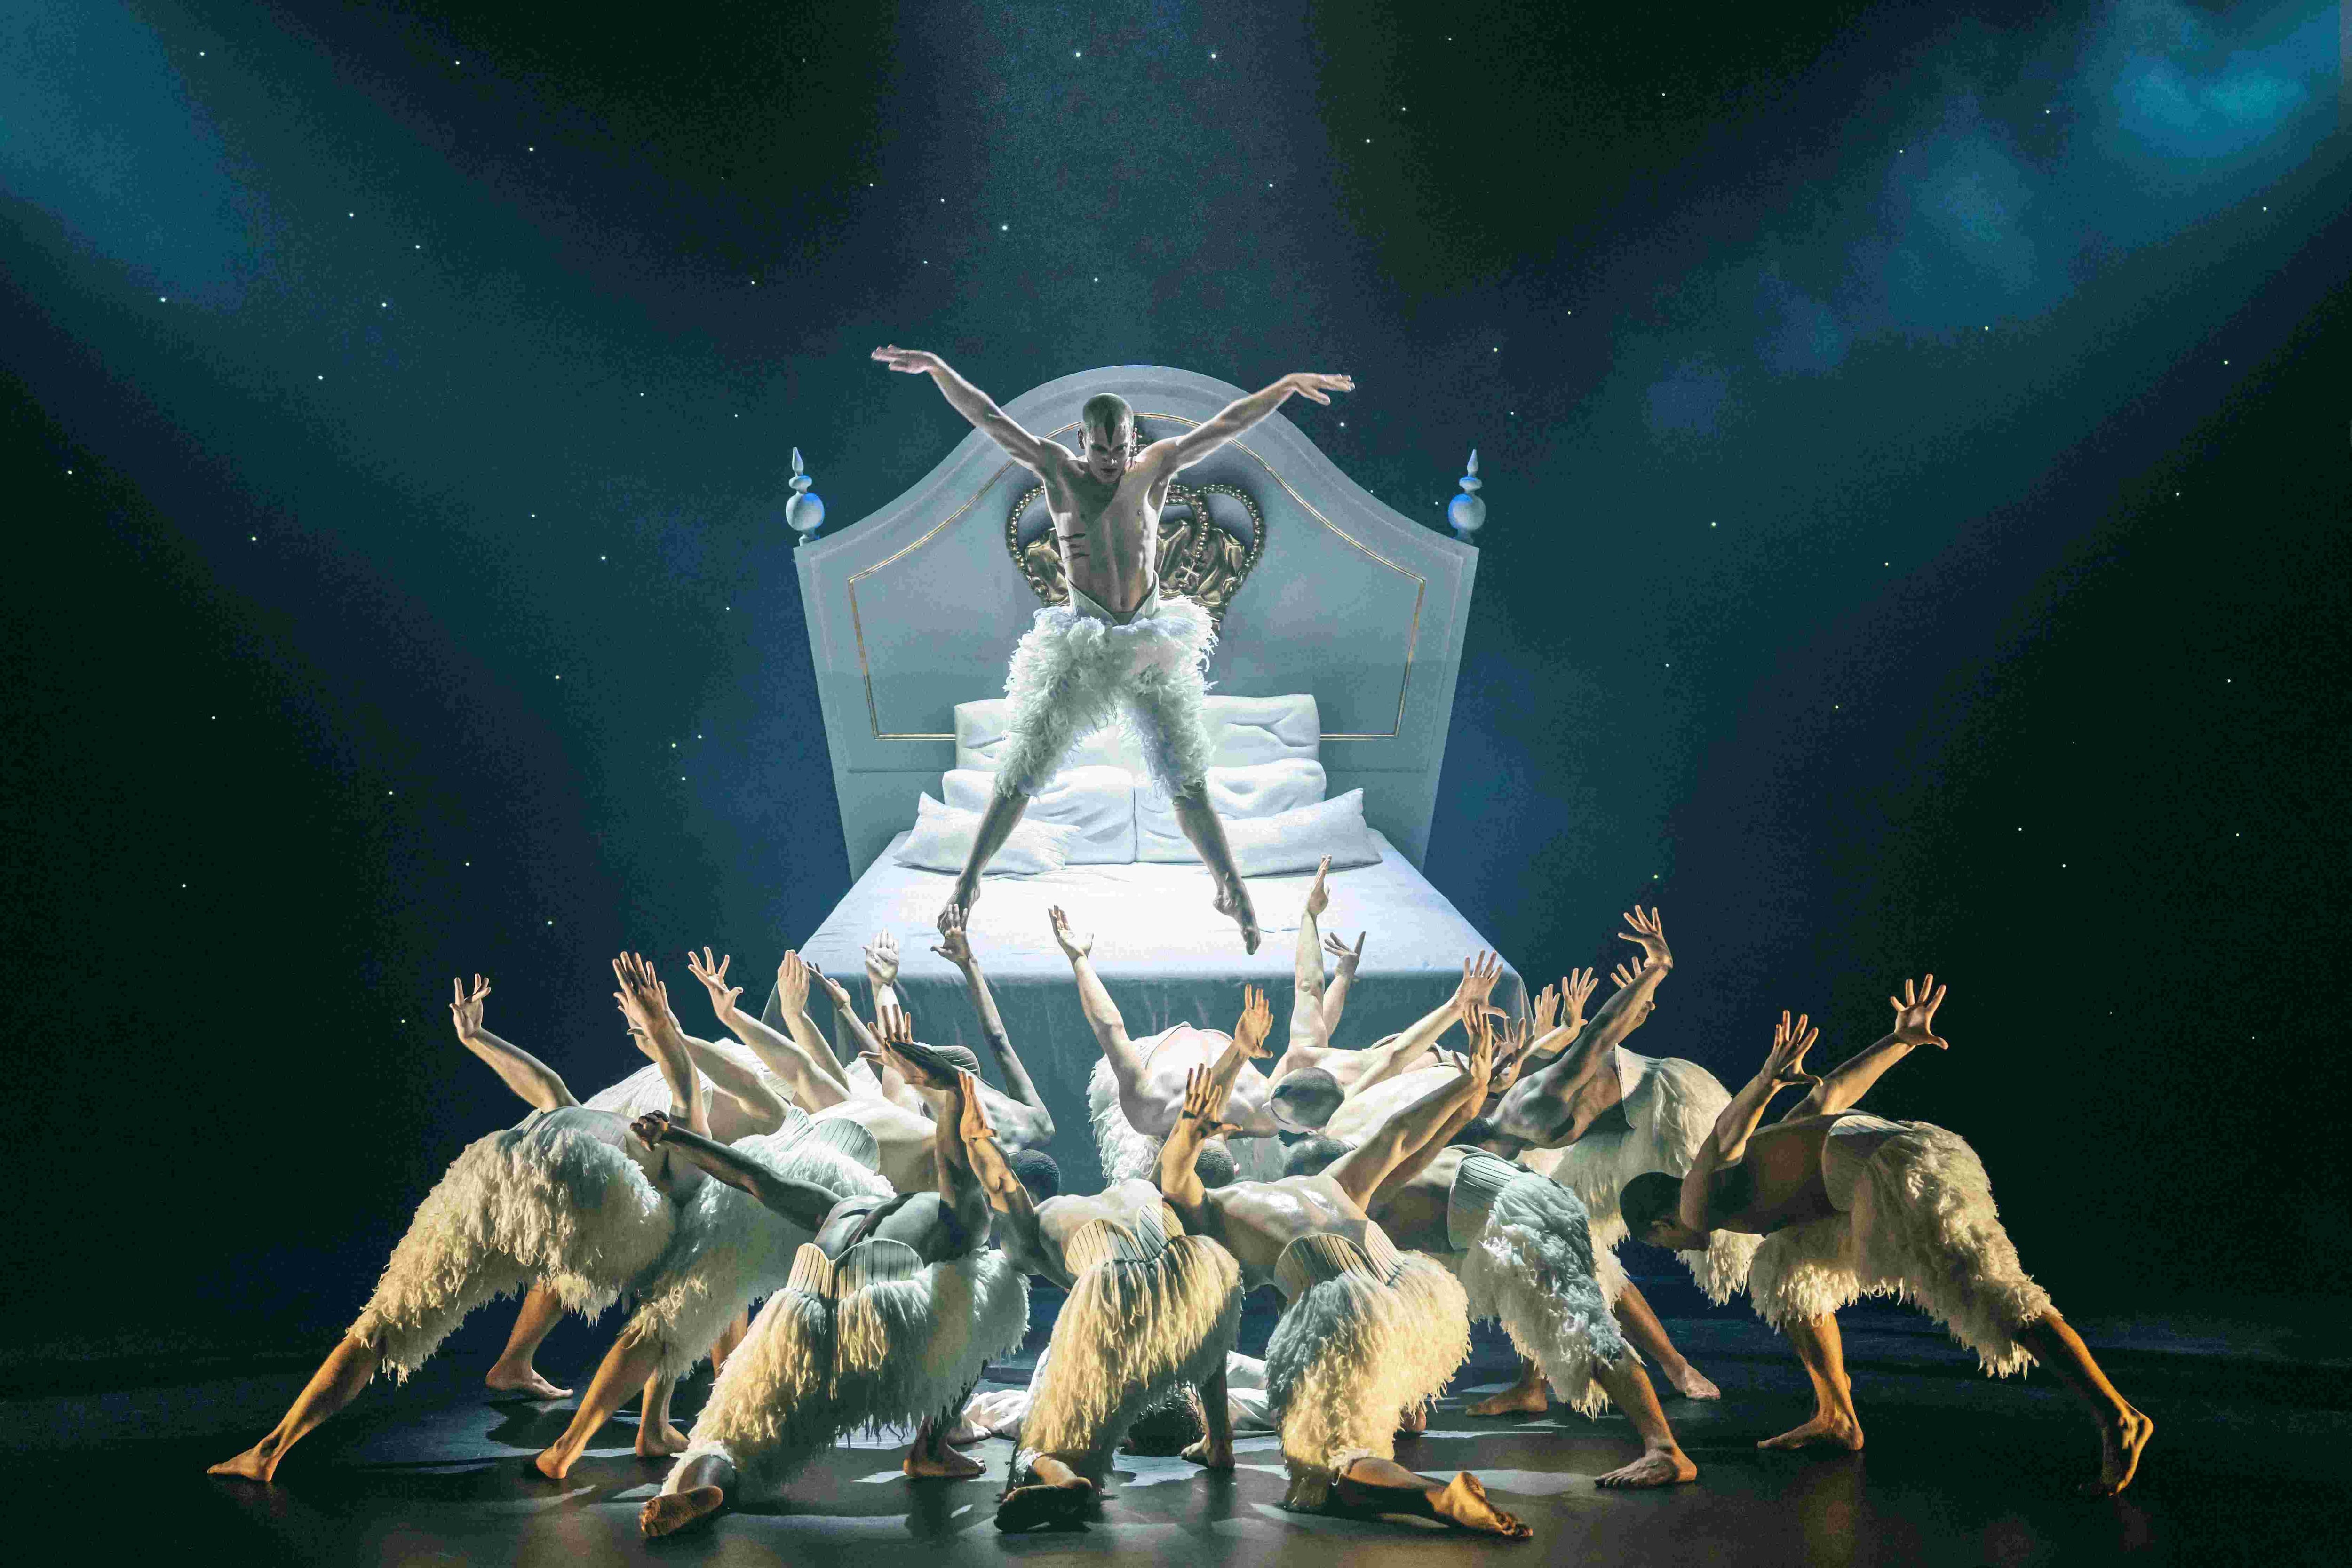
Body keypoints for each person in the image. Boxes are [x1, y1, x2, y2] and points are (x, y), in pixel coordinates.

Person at [872, 344, 1354, 952]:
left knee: (1186, 778)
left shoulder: (1154, 468)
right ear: (1082, 441)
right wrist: (938, 370)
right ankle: (968, 882)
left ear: (1132, 441)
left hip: (1149, 639)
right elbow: (989, 418)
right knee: (1021, 769)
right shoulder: (1059, 471)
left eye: (1119, 448)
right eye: (1100, 449)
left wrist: (1283, 385)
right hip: (1083, 641)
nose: (1110, 460)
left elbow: (1226, 424)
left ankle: (1229, 885)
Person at [1619, 979, 2153, 1495]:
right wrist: (1898, 1041)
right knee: (1784, 1271)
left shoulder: (1693, 1202)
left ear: (1659, 1224)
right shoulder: (1765, 1158)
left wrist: (1765, 1082)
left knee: (1995, 1296)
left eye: (1660, 1245)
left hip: (1898, 1171)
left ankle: (2118, 1416)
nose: (1674, 1250)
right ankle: (1836, 1416)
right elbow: (1830, 1093)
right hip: (1876, 1165)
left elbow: (1723, 1134)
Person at [207, 959, 705, 1484]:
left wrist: (662, 1026)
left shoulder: (683, 1154)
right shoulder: (617, 1126)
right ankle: (269, 1450)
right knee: (385, 1322)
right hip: (505, 1185)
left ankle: (271, 1449)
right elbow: (550, 1087)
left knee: (381, 1328)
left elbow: (686, 1087)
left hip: (532, 1185)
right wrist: (477, 1037)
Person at [1154, 1022, 1531, 1538]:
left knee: (1324, 1473)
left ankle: (1437, 1497)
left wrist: (1184, 1133)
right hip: (1417, 1297)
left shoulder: (1210, 1215)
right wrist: (1470, 1087)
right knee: (1329, 1328)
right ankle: (1405, 1411)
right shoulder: (1326, 1180)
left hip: (1350, 1307)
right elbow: (1398, 1134)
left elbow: (1174, 1182)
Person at [1282, 1023, 1695, 1489]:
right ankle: (1426, 1404)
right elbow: (1436, 1128)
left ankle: (1666, 1450)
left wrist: (1476, 1083)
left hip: (1517, 1208)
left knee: (1584, 1330)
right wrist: (1475, 1083)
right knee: (1430, 1303)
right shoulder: (1373, 1158)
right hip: (1511, 1203)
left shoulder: (1354, 1189)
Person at [639, 1052, 1030, 1537]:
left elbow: (755, 1178)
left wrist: (676, 1137)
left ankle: (704, 1485)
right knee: (994, 1280)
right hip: (872, 1326)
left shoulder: (847, 1205)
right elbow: (953, 1165)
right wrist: (953, 1092)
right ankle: (930, 1449)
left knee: (729, 1433)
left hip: (796, 1318)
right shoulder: (960, 1217)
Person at [1460, 908, 1746, 1407]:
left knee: (1729, 1231)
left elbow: (1597, 1037)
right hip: (1608, 1133)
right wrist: (1636, 1006)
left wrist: (1654, 971)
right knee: (1571, 1247)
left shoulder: (1532, 1111)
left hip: (1666, 1106)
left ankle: (1678, 1366)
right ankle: (1533, 1387)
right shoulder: (1511, 1138)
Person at [945, 1075, 1245, 1531]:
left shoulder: (1032, 1226)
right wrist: (1190, 1127)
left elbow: (1003, 1184)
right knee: (1205, 1320)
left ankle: (1061, 1473)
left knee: (1043, 1435)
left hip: (1111, 1283)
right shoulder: (1141, 1188)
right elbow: (1173, 1159)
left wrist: (976, 1140)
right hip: (1199, 1274)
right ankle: (1220, 1443)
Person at [1051, 906, 1282, 1180]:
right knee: (1136, 1139)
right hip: (1172, 1056)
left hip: (1212, 1048)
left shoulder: (1265, 1114)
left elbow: (1111, 1028)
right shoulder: (1150, 1108)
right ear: (1236, 1169)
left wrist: (1080, 959)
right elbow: (1110, 1030)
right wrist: (1078, 958)